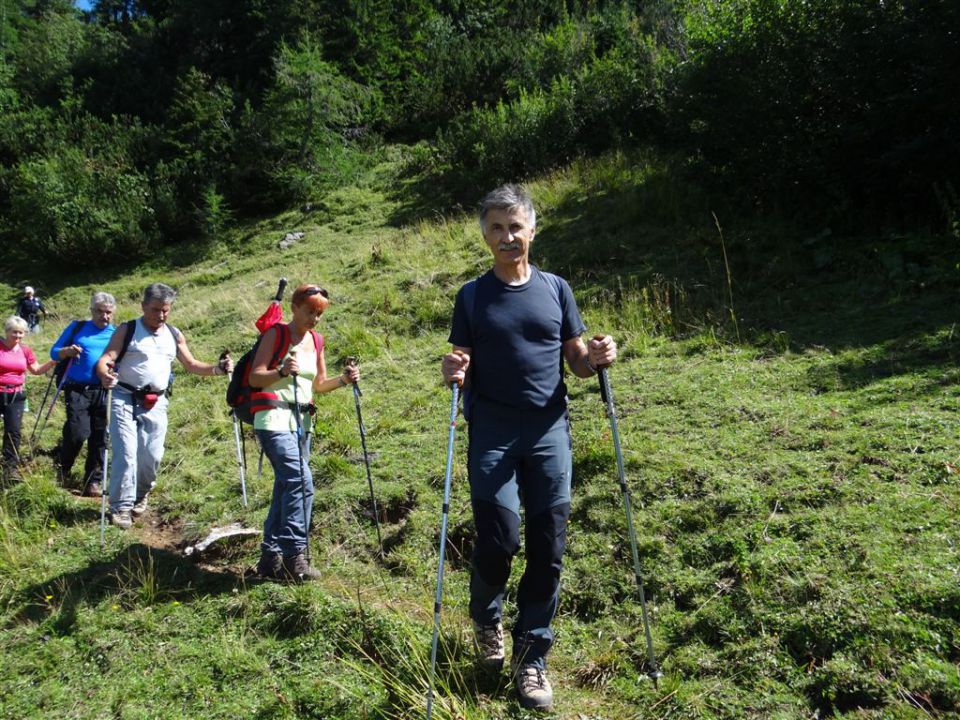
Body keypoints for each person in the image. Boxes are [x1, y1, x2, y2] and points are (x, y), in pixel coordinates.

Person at [441, 185, 617, 710]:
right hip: (492, 432)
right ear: (484, 235)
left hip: (548, 432)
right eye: (496, 227)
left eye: (515, 227)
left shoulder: (557, 289)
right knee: (499, 537)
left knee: (550, 545)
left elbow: (577, 363)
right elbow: (460, 358)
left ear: (532, 231)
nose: (507, 237)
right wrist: (452, 369)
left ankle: (532, 657)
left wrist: (599, 357)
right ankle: (487, 619)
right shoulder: (472, 296)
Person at [95, 283, 232, 530]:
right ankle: (120, 507)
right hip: (123, 397)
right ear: (143, 306)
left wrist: (218, 369)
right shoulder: (128, 330)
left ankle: (141, 493)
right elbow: (107, 358)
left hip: (156, 401)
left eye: (165, 310)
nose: (161, 315)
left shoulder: (174, 334)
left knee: (151, 456)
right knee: (126, 453)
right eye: (156, 309)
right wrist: (104, 373)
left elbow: (191, 364)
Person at [247, 283, 359, 582]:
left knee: (286, 487)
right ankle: (295, 556)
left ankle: (269, 559)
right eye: (310, 311)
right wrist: (281, 371)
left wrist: (344, 380)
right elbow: (256, 378)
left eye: (319, 313)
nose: (314, 318)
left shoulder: (317, 341)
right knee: (300, 480)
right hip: (272, 417)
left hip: (302, 422)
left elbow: (319, 385)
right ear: (294, 308)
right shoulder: (276, 334)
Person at [50, 292, 117, 497]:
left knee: (100, 437)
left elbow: (120, 360)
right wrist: (67, 351)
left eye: (108, 313)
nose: (104, 316)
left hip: (104, 390)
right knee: (78, 433)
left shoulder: (116, 334)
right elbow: (54, 352)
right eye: (99, 311)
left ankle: (93, 481)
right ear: (91, 310)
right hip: (77, 388)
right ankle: (64, 467)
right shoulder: (77, 328)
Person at [1, 316, 57, 482]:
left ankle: (10, 469)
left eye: (21, 333)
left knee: (13, 432)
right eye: (14, 332)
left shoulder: (25, 350)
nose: (17, 336)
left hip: (16, 395)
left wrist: (54, 361)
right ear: (6, 331)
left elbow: (36, 370)